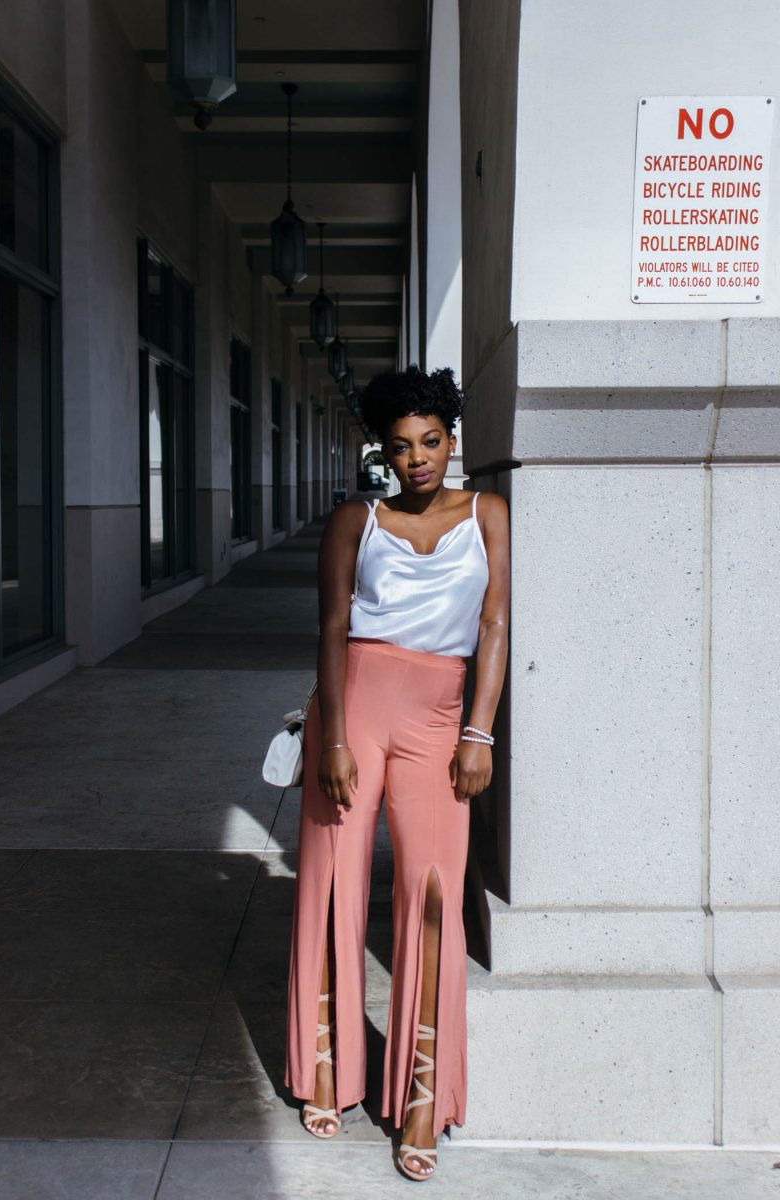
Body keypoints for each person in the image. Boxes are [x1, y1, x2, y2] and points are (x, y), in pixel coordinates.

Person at [284, 364, 510, 1181]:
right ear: (384, 450)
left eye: (432, 442)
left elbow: (494, 624)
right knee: (334, 884)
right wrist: (334, 736)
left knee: (433, 894)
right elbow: (334, 628)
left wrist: (478, 733)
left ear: (452, 442)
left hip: (442, 716)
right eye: (402, 446)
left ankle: (421, 1098)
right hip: (357, 708)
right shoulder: (357, 519)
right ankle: (323, 1073)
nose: (419, 459)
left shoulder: (489, 513)